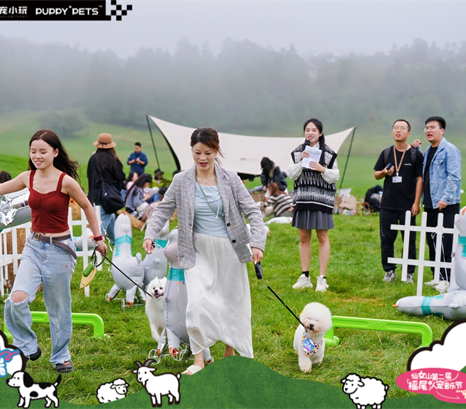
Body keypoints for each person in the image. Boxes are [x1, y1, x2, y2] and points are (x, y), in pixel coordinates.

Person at [0, 129, 107, 373]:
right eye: (33, 151)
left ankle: (61, 356)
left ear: (55, 152)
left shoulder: (65, 181)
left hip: (60, 251)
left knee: (58, 309)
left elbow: (87, 206)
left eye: (43, 151)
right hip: (34, 246)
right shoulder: (27, 177)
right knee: (16, 299)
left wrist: (98, 238)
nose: (37, 156)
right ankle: (27, 346)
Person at [142, 127, 265, 375]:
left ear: (216, 151)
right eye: (197, 152)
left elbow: (253, 211)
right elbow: (163, 209)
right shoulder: (181, 180)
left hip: (230, 250)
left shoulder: (231, 179)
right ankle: (198, 360)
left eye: (208, 152)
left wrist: (257, 243)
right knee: (197, 303)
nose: (202, 158)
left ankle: (230, 354)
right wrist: (150, 233)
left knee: (232, 302)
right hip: (197, 250)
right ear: (192, 150)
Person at [287, 118, 339, 292]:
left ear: (320, 133)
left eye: (314, 130)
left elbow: (335, 176)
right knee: (303, 237)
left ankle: (322, 278)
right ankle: (305, 276)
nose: (310, 133)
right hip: (303, 199)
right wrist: (301, 162)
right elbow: (291, 175)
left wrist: (322, 169)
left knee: (322, 237)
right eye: (307, 130)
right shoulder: (298, 152)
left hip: (322, 200)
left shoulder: (329, 153)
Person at [373, 119, 423, 284]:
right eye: (395, 128)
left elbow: (420, 179)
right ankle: (389, 270)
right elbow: (376, 174)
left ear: (409, 133)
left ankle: (408, 272)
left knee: (409, 239)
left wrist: (416, 202)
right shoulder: (386, 152)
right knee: (387, 238)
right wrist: (384, 172)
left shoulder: (415, 154)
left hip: (408, 204)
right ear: (392, 132)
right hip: (388, 204)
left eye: (402, 128)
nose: (398, 130)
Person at [416, 116, 461, 292]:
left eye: (432, 127)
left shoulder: (450, 150)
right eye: (426, 128)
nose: (428, 130)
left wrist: (446, 198)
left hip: (446, 204)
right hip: (430, 203)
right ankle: (437, 276)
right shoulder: (428, 151)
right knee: (432, 240)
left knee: (446, 241)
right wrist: (416, 149)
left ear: (442, 130)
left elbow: (454, 176)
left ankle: (447, 278)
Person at [87, 133, 126, 244]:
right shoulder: (113, 159)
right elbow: (120, 176)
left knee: (110, 216)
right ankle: (95, 243)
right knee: (102, 221)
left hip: (95, 194)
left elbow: (89, 175)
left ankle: (116, 241)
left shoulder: (93, 158)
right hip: (108, 196)